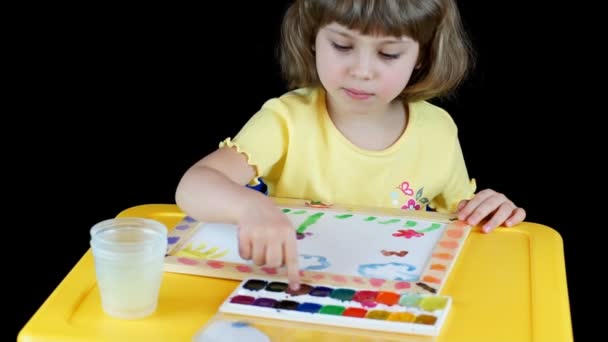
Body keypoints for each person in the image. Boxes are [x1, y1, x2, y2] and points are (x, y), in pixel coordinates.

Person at [175, 0, 526, 290]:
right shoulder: (286, 120)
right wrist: (250, 208)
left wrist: (489, 210)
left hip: (394, 303)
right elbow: (195, 185)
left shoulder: (438, 131)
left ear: (421, 57)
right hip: (300, 293)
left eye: (388, 54)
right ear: (313, 39)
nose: (361, 70)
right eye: (342, 46)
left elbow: (463, 223)